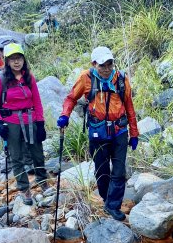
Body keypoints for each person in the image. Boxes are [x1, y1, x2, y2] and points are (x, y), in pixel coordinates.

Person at [58, 46, 139, 221]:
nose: (107, 68)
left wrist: (134, 133)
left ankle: (113, 206)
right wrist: (65, 115)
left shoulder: (121, 79)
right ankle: (106, 198)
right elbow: (71, 98)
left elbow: (130, 107)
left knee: (119, 171)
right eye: (102, 65)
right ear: (94, 64)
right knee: (102, 171)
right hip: (97, 132)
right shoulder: (86, 78)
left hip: (119, 131)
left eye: (110, 64)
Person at [0, 43, 47, 205]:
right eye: (13, 59)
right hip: (11, 122)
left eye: (19, 58)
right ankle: (24, 188)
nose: (16, 62)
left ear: (23, 59)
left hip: (31, 119)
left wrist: (41, 123)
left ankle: (43, 183)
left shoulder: (29, 76)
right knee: (16, 156)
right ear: (6, 60)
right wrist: (0, 123)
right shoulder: (0, 79)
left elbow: (37, 101)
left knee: (37, 153)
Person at [0, 36, 35, 175]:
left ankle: (27, 160)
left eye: (2, 49)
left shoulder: (17, 64)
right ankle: (11, 157)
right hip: (0, 102)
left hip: (12, 102)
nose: (0, 51)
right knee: (6, 131)